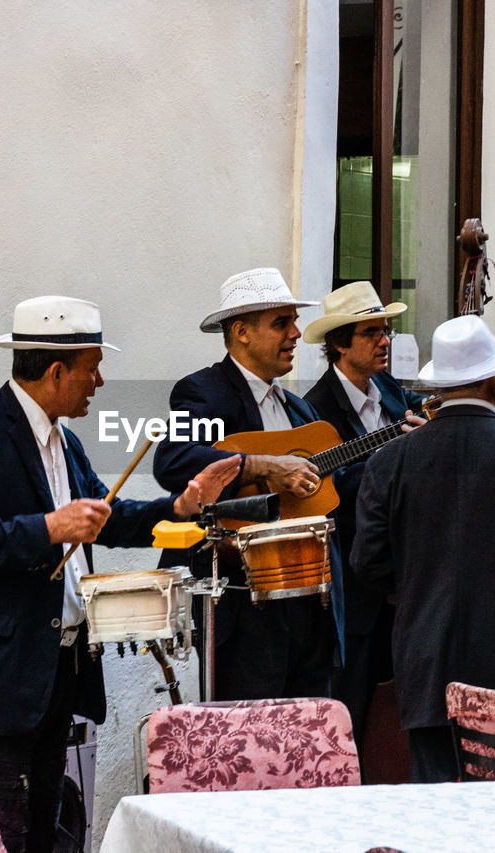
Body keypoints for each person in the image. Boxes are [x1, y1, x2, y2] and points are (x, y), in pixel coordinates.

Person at [0, 295, 239, 852]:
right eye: (92, 367)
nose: (100, 381)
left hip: (58, 664)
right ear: (57, 371)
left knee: (42, 828)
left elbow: (102, 517)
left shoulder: (66, 441)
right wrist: (47, 527)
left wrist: (178, 507)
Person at [352, 313, 495, 783]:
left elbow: (367, 562)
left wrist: (415, 584)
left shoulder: (388, 463)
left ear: (439, 388)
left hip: (428, 667)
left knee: (439, 815)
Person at [153, 267, 339, 701]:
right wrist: (260, 466)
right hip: (239, 601)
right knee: (245, 736)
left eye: (293, 321)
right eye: (281, 323)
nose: (296, 334)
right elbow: (172, 460)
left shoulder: (299, 411)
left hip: (307, 599)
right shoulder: (202, 392)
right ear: (241, 332)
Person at [301, 281, 426, 749]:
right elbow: (332, 492)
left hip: (404, 579)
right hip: (353, 586)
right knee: (349, 707)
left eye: (386, 330)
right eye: (371, 333)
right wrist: (392, 460)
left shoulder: (392, 392)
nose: (384, 341)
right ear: (338, 344)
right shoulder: (314, 411)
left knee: (402, 711)